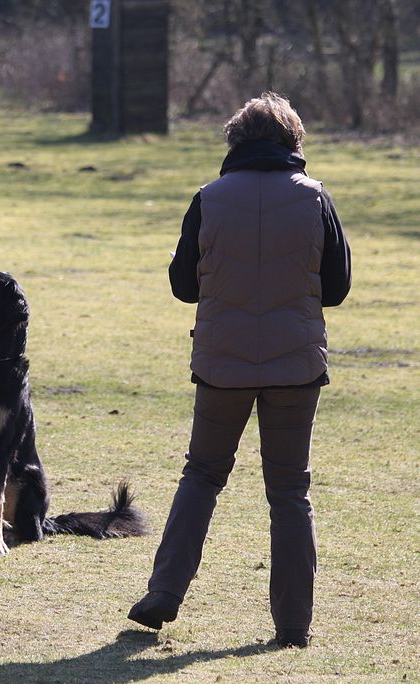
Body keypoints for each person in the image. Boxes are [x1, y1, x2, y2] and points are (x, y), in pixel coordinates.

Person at [128, 93, 351, 647]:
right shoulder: (316, 198)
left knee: (202, 475)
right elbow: (338, 287)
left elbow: (184, 286)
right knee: (290, 492)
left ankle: (163, 593)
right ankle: (293, 627)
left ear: (235, 141)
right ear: (293, 140)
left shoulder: (208, 198)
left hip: (222, 363)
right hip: (295, 366)